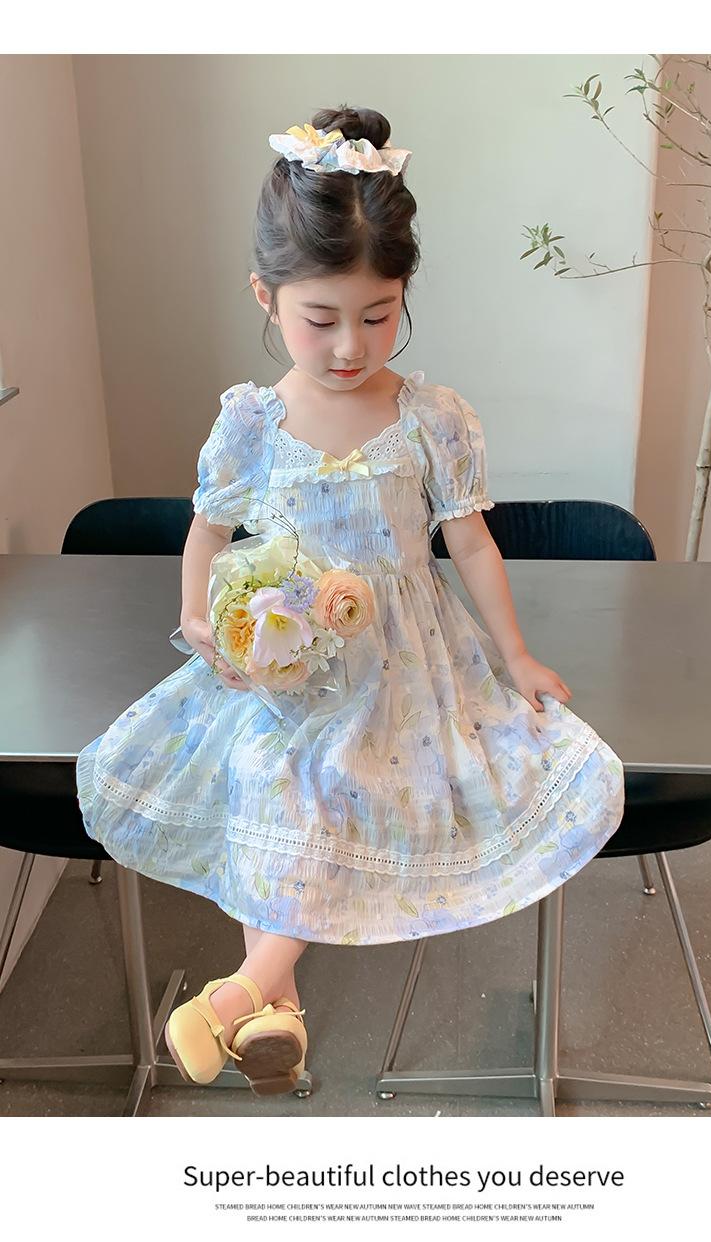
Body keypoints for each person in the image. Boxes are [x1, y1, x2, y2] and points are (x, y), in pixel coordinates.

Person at [76, 105, 625, 1098]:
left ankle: (245, 993)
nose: (348, 346)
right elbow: (207, 531)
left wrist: (514, 655)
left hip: (409, 663)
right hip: (285, 658)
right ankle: (272, 1003)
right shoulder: (251, 423)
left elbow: (469, 540)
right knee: (268, 782)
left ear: (403, 295)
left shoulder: (431, 419)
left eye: (377, 316)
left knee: (344, 787)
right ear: (266, 296)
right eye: (319, 318)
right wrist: (199, 618)